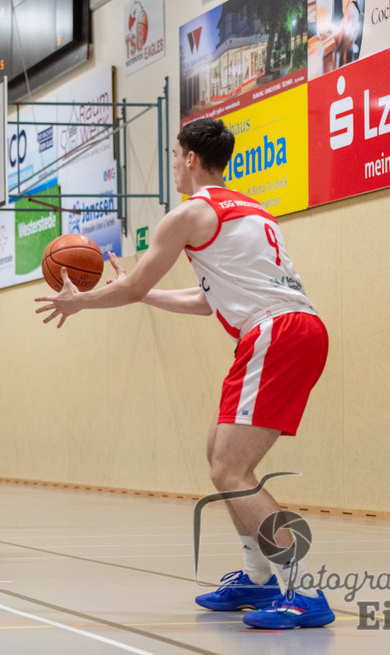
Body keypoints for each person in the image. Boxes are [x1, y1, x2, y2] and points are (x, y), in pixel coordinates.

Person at [34, 118, 332, 629]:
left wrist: (81, 300)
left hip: (274, 333)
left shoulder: (189, 215)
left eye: (175, 154)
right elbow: (206, 300)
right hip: (291, 328)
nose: (174, 163)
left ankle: (304, 591)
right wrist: (143, 292)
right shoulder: (252, 210)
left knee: (229, 470)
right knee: (219, 451)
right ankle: (258, 579)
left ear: (190, 158)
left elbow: (127, 290)